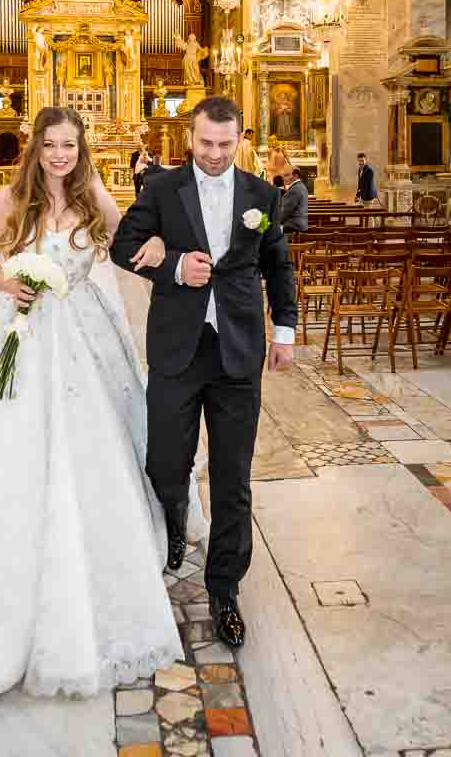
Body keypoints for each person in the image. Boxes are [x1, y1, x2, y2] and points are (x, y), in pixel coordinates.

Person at [0, 107, 206, 696]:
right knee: (4, 443)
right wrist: (10, 283)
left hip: (84, 329)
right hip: (18, 327)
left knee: (98, 440)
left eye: (69, 146)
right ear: (35, 148)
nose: (59, 155)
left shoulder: (93, 199)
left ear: (81, 150)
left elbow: (129, 241)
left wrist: (164, 248)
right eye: (51, 145)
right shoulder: (8, 198)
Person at [112, 95, 298, 650]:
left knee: (233, 475)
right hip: (177, 349)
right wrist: (173, 265)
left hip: (238, 352)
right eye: (205, 143)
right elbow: (122, 246)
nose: (215, 155)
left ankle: (224, 589)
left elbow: (277, 264)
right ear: (189, 139)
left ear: (240, 139)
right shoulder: (161, 189)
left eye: (225, 144)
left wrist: (283, 331)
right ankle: (172, 523)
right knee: (166, 460)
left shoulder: (263, 196)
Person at [279, 167, 308, 233]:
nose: (283, 178)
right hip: (299, 225)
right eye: (283, 175)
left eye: (286, 175)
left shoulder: (294, 190)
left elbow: (284, 212)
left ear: (296, 176)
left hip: (292, 226)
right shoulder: (300, 186)